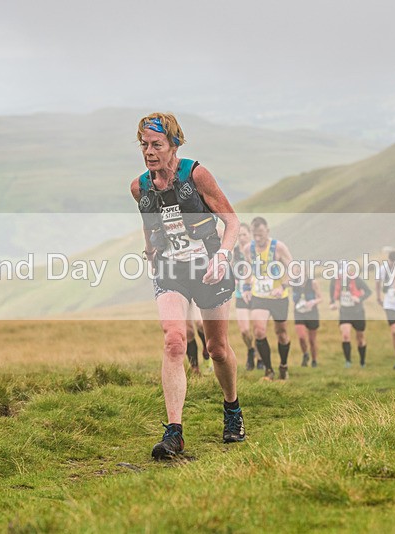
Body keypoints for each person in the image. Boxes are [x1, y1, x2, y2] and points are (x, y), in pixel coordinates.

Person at [131, 113, 245, 459]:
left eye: (156, 145)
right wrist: (151, 252)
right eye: (144, 145)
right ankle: (174, 432)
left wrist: (223, 256)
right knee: (174, 340)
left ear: (174, 145)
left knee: (217, 349)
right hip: (171, 270)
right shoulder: (139, 187)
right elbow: (151, 227)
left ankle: (232, 409)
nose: (149, 152)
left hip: (210, 267)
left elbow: (232, 221)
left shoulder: (195, 174)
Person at [242, 217, 294, 380]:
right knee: (258, 331)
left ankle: (283, 366)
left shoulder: (278, 247)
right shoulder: (248, 249)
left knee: (282, 333)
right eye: (255, 235)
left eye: (261, 235)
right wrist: (246, 288)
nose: (258, 238)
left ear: (267, 232)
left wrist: (283, 286)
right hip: (259, 296)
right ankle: (269, 371)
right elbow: (247, 270)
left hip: (279, 297)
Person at [329, 264, 373, 368]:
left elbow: (369, 291)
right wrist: (332, 303)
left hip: (358, 312)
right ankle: (348, 361)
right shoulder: (334, 281)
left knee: (360, 337)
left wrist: (359, 299)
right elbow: (332, 294)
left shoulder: (356, 279)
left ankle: (362, 362)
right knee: (345, 335)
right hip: (344, 311)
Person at [232, 222, 258, 371]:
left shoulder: (257, 250)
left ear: (250, 235)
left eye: (244, 235)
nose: (241, 238)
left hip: (257, 293)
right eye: (239, 235)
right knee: (244, 330)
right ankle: (250, 350)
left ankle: (261, 357)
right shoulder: (234, 252)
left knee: (257, 328)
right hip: (240, 293)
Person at [292, 271, 322, 368]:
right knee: (301, 337)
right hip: (299, 313)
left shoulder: (313, 283)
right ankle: (305, 354)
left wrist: (313, 302)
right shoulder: (294, 283)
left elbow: (321, 298)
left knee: (312, 340)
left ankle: (314, 360)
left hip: (311, 313)